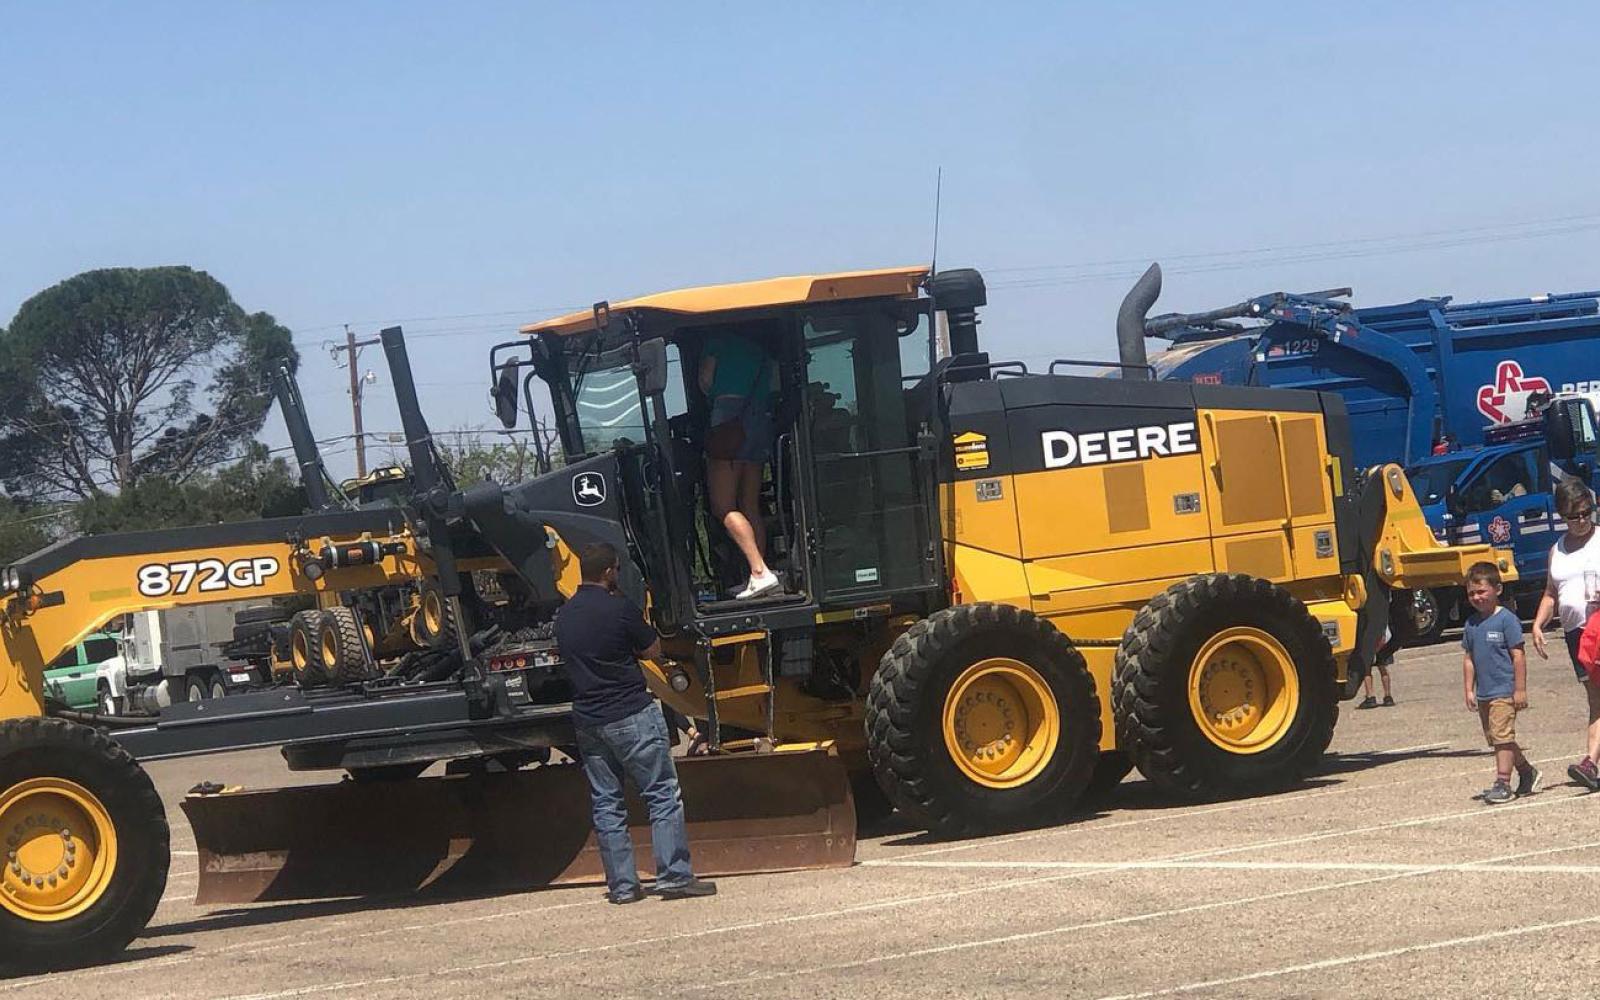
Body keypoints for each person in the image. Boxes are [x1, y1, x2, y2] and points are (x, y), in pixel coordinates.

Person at [553, 542, 717, 903]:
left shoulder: (564, 617)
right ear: (608, 571)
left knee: (607, 802)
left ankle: (623, 886)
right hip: (629, 713)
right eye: (615, 569)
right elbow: (652, 649)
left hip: (588, 720)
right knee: (661, 794)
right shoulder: (619, 608)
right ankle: (674, 876)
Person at [699, 329, 780, 600]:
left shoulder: (716, 341)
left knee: (723, 507)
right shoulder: (759, 349)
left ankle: (759, 571)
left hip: (728, 418)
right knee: (749, 505)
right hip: (758, 419)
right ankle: (759, 574)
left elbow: (705, 381)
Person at [1530, 479, 1600, 789]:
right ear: (1562, 515)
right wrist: (1538, 624)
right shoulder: (1556, 551)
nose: (1582, 520)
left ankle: (1590, 761)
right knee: (1595, 699)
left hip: (1599, 626)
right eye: (1575, 516)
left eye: (1587, 512)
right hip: (1576, 634)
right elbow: (1551, 593)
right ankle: (1591, 766)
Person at [1462, 561, 1538, 804]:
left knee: (1502, 737)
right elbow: (1469, 659)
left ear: (1497, 589)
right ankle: (1526, 770)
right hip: (1484, 692)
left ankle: (1503, 782)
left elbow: (1518, 656)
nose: (1477, 597)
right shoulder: (1471, 624)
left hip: (1504, 690)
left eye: (1481, 591)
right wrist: (1469, 689)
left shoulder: (1507, 620)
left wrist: (1520, 689)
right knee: (1497, 738)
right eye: (1472, 593)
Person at [1355, 627, 1395, 709]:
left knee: (1367, 669)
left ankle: (1370, 696)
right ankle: (1388, 696)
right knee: (1383, 668)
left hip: (1368, 641)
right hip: (1383, 640)